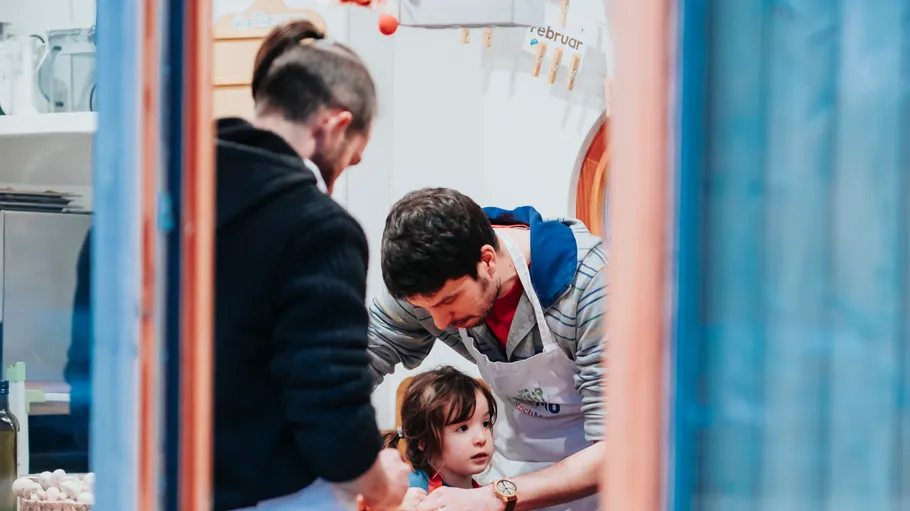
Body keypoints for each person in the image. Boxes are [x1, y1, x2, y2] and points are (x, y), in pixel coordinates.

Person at [65, 19, 409, 511]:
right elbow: (329, 415)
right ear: (334, 126)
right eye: (351, 159)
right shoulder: (319, 227)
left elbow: (88, 376)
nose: (338, 180)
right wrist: (383, 484)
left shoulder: (136, 207)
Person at [368, 188, 608, 511]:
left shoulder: (591, 286)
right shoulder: (432, 279)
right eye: (427, 309)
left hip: (601, 491)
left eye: (448, 302)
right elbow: (351, 366)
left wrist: (495, 496)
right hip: (511, 480)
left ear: (487, 261)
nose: (439, 323)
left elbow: (618, 451)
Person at [385, 366, 498, 495]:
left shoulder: (487, 496)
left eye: (485, 423)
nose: (481, 438)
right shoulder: (411, 491)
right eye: (463, 428)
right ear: (424, 441)